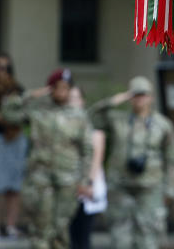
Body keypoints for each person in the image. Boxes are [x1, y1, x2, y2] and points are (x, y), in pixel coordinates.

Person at [2, 68, 93, 249]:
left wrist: (84, 180)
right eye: (58, 87)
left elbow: (86, 150)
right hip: (40, 179)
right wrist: (29, 95)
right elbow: (8, 113)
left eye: (66, 88)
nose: (62, 92)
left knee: (61, 229)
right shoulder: (37, 112)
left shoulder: (79, 117)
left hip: (67, 180)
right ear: (51, 89)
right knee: (41, 229)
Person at [89, 76, 174, 249]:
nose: (139, 99)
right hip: (120, 186)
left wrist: (169, 189)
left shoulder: (162, 125)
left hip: (150, 187)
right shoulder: (117, 119)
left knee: (148, 238)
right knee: (120, 238)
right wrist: (114, 100)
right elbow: (91, 117)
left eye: (143, 94)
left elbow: (171, 158)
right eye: (135, 94)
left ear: (151, 97)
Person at [0, 52, 27, 240]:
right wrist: (12, 119)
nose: (3, 71)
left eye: (7, 67)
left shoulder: (17, 88)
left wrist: (16, 120)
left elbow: (25, 111)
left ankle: (10, 226)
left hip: (16, 139)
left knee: (14, 186)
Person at [68, 85, 106, 249]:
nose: (72, 102)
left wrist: (88, 183)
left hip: (86, 188)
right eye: (69, 98)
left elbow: (96, 158)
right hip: (65, 187)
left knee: (83, 237)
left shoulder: (91, 128)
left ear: (82, 101)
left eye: (76, 98)